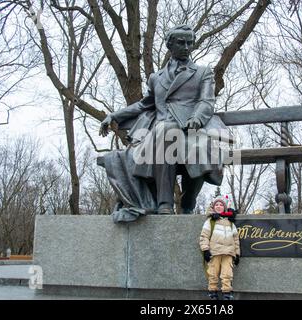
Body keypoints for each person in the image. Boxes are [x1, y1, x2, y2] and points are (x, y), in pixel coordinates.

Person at [99, 25, 231, 222]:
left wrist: (196, 118)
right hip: (162, 132)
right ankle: (164, 204)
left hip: (192, 128)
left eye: (189, 43)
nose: (187, 47)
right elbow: (145, 104)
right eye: (181, 42)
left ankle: (184, 202)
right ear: (170, 45)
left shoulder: (203, 73)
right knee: (164, 132)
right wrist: (115, 116)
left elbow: (206, 101)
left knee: (197, 147)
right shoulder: (156, 78)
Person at [199, 195, 240, 300]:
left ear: (224, 207)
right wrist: (205, 250)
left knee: (227, 274)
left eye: (221, 204)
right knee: (213, 273)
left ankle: (227, 293)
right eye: (216, 204)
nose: (218, 206)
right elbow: (204, 236)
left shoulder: (230, 222)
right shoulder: (210, 221)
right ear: (213, 207)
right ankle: (212, 292)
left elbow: (236, 239)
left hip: (228, 253)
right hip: (214, 252)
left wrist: (237, 253)